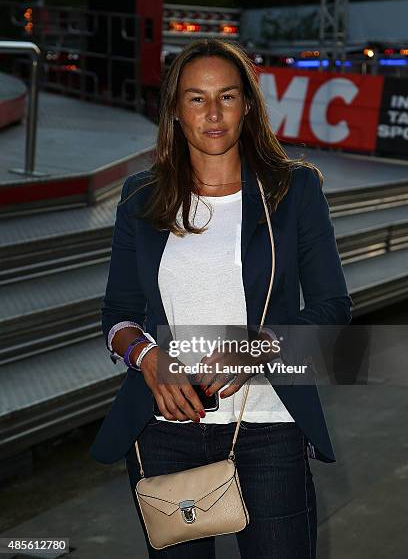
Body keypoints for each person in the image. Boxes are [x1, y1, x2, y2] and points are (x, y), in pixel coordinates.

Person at [90, 38, 352, 558]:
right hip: (164, 433)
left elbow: (332, 307)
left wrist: (254, 348)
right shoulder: (142, 197)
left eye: (227, 97)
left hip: (270, 425)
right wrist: (147, 357)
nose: (212, 113)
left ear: (247, 106)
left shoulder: (293, 191)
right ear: (174, 111)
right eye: (195, 98)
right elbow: (117, 316)